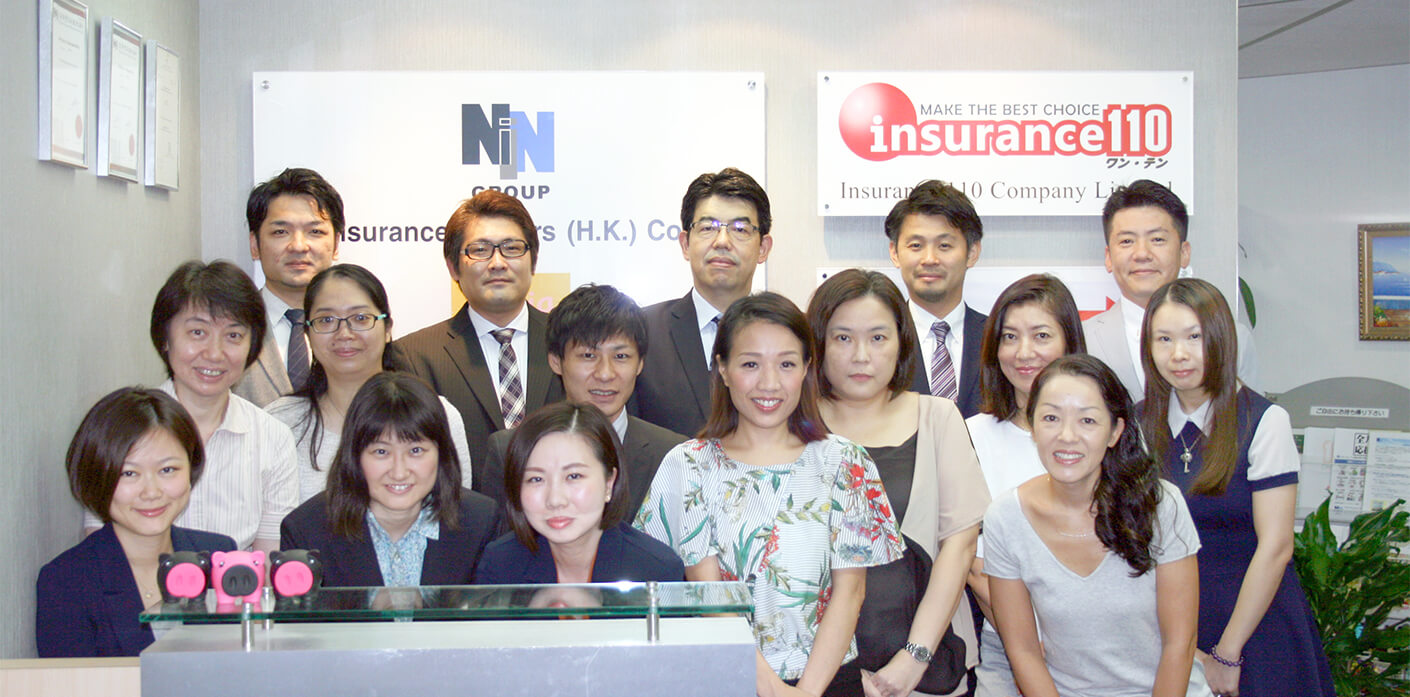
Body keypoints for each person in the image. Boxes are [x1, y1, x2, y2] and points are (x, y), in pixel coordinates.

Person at [636, 292, 903, 697]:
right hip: (725, 679)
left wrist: (807, 692)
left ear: (807, 369)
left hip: (828, 681)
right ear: (723, 369)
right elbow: (710, 597)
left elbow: (851, 593)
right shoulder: (688, 465)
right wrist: (774, 689)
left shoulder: (845, 461)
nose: (769, 383)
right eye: (750, 364)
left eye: (786, 364)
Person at [1139, 278, 1334, 697]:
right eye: (1164, 339)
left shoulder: (1263, 421)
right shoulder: (1138, 424)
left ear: (1221, 338)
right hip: (1169, 627)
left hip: (1255, 627)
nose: (1178, 354)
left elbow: (1276, 547)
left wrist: (1227, 654)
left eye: (1194, 337)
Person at [807, 269, 990, 697]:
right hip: (813, 673)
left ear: (901, 343)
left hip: (925, 669)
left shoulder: (938, 417)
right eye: (843, 338)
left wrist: (912, 661)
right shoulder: (794, 426)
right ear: (818, 343)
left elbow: (959, 546)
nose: (861, 356)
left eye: (877, 337)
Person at [984, 354, 1210, 697]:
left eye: (1087, 420)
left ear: (1115, 431)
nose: (1067, 436)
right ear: (1033, 426)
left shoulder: (1160, 504)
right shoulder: (1005, 518)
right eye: (1050, 418)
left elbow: (1180, 643)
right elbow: (1023, 650)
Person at [85, 261, 298, 551]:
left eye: (233, 336)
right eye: (197, 332)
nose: (214, 353)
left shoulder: (273, 438)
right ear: (165, 338)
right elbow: (100, 547)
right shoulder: (120, 427)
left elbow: (270, 560)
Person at [37, 388, 236, 657]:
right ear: (96, 478)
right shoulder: (67, 581)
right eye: (129, 473)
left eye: (168, 470)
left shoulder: (219, 556)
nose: (151, 492)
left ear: (192, 468)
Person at [962, 274, 1086, 697]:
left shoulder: (1107, 431)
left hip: (1103, 642)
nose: (1024, 352)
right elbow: (976, 566)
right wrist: (1033, 645)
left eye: (1041, 335)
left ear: (1069, 342)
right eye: (1010, 337)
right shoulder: (970, 436)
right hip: (1008, 646)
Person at [265, 264, 474, 504]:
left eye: (361, 318)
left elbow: (456, 514)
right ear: (308, 333)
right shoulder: (279, 424)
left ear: (387, 329)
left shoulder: (438, 415)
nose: (344, 333)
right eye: (326, 320)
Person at [397, 190, 565, 480]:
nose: (497, 263)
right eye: (480, 250)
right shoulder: (414, 357)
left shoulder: (569, 342)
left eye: (512, 248)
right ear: (453, 267)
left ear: (533, 261)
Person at [280, 372, 501, 587]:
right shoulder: (306, 531)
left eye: (415, 450)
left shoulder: (481, 522)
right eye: (381, 452)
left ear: (441, 453)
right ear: (354, 456)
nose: (399, 472)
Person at [481, 283, 686, 512]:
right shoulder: (509, 451)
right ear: (556, 361)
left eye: (621, 356)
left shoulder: (673, 453)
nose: (605, 374)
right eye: (588, 355)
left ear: (640, 364)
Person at [1083, 179, 1257, 401]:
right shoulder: (1082, 339)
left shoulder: (1233, 338)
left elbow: (1249, 418)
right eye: (1127, 241)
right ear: (1108, 257)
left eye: (1157, 239)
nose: (1142, 254)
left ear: (1184, 253)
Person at [476, 402, 685, 584]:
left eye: (574, 476)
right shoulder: (500, 564)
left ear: (609, 482)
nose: (555, 500)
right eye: (536, 479)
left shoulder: (657, 568)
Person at [635, 167, 773, 437]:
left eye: (740, 229)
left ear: (763, 248)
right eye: (708, 228)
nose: (722, 242)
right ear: (685, 244)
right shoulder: (642, 331)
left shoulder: (789, 337)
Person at [236, 168, 344, 407]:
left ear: (336, 244)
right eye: (281, 232)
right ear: (254, 244)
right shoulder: (230, 329)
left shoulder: (358, 329)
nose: (298, 246)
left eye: (315, 231)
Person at [885, 181, 988, 418]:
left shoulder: (999, 338)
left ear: (972, 253)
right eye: (916, 245)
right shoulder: (877, 341)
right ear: (895, 252)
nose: (929, 259)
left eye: (944, 245)